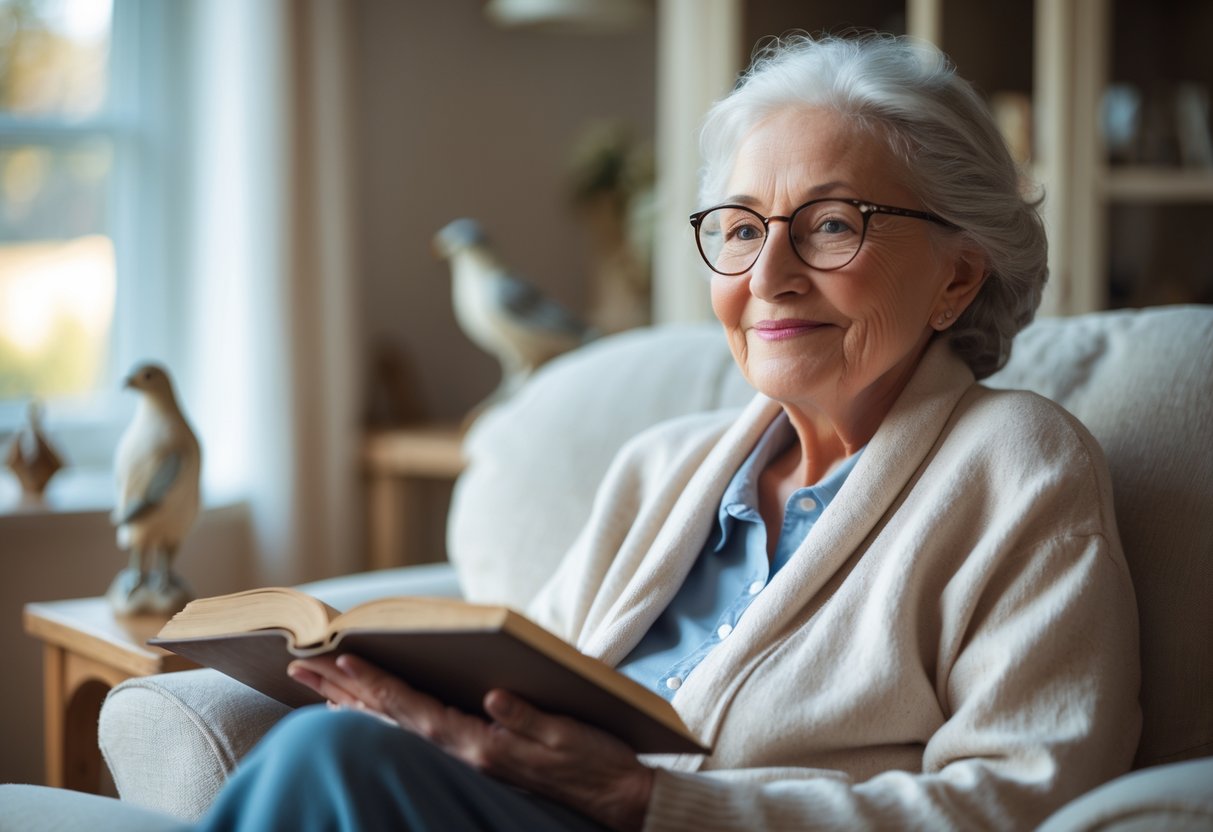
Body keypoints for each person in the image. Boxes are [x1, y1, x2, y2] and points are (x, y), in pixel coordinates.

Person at [2, 31, 1137, 832]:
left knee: (327, 762)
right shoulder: (662, 467)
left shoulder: (1018, 466)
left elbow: (1026, 802)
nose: (770, 274)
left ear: (955, 276)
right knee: (339, 741)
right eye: (738, 229)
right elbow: (538, 691)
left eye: (831, 226)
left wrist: (652, 801)